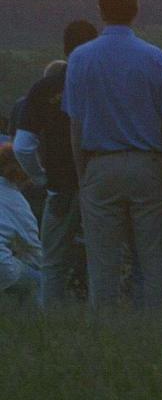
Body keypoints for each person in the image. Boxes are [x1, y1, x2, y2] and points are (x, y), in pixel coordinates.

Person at [63, 0, 162, 309]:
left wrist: (83, 173)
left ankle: (105, 337)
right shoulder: (156, 58)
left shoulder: (80, 59)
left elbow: (75, 123)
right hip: (148, 164)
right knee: (155, 262)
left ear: (100, 11)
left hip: (100, 164)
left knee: (102, 265)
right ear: (136, 10)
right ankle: (156, 334)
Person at [14, 21, 98, 307]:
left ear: (65, 48)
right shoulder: (104, 81)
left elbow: (23, 146)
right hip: (100, 182)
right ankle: (108, 323)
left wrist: (39, 176)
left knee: (52, 262)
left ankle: (52, 322)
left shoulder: (45, 88)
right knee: (106, 258)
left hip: (61, 185)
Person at [0, 144, 41, 305]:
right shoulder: (16, 201)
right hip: (3, 267)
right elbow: (32, 246)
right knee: (40, 280)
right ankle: (36, 323)